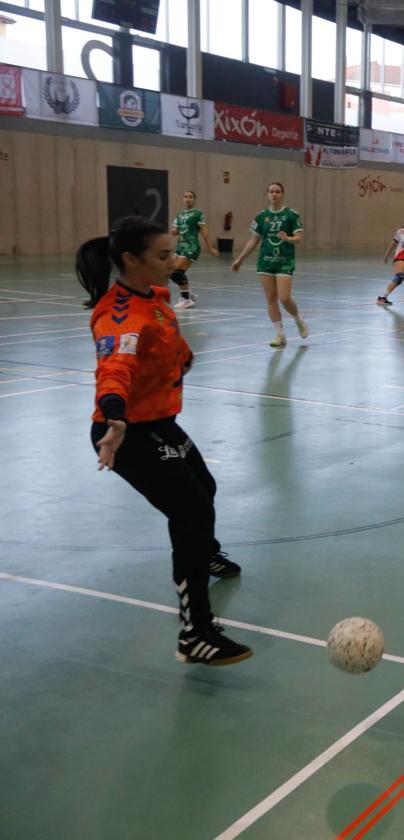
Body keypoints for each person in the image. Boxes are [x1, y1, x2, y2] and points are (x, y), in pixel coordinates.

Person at [79, 217, 252, 666]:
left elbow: (170, 344)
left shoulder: (155, 297)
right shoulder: (119, 315)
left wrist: (184, 359)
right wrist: (115, 418)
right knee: (190, 511)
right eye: (161, 256)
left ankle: (204, 555)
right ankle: (195, 633)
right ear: (130, 260)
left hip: (158, 421)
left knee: (204, 490)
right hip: (126, 432)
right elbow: (114, 368)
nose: (172, 262)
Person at [231, 182, 308, 348]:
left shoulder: (291, 215)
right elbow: (253, 241)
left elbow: (299, 238)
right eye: (271, 192)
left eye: (278, 192)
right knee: (271, 298)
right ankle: (280, 335)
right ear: (267, 195)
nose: (274, 194)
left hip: (284, 261)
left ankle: (298, 320)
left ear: (282, 194)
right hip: (265, 262)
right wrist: (240, 259)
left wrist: (288, 238)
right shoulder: (261, 217)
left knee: (284, 297)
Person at [168, 190, 219, 310]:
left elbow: (204, 231)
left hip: (191, 247)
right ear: (183, 199)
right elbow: (173, 229)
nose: (187, 199)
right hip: (180, 247)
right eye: (185, 196)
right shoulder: (179, 215)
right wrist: (174, 231)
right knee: (171, 271)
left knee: (177, 273)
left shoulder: (198, 214)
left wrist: (210, 247)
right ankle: (189, 293)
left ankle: (186, 299)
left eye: (190, 197)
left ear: (194, 199)